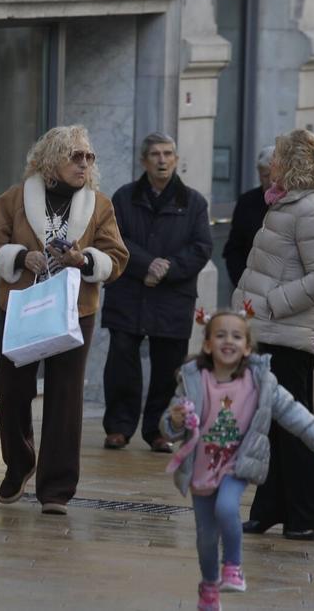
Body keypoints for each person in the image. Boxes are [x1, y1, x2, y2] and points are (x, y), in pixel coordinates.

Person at [0, 125, 128, 515]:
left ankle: (56, 489)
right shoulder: (14, 199)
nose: (84, 164)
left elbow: (116, 257)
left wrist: (84, 260)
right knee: (11, 389)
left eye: (89, 157)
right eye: (75, 156)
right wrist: (20, 256)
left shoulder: (99, 206)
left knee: (65, 397)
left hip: (75, 310)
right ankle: (19, 463)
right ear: (50, 161)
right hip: (21, 307)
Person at [160, 311, 314, 611]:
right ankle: (209, 587)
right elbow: (170, 427)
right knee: (206, 538)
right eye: (220, 335)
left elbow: (292, 411)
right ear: (207, 344)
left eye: (236, 336)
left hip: (236, 465)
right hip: (201, 469)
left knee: (227, 507)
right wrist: (175, 421)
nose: (228, 341)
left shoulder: (259, 382)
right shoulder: (193, 380)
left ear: (247, 347)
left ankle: (233, 566)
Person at [232, 128, 314, 540]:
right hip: (269, 329)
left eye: (278, 156)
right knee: (272, 424)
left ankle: (310, 515)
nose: (271, 163)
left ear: (292, 162)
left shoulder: (311, 208)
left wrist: (272, 303)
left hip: (287, 333)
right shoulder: (290, 202)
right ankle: (272, 508)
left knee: (294, 427)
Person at [101, 132, 212, 452]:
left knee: (168, 367)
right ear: (143, 161)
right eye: (155, 154)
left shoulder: (194, 202)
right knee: (121, 362)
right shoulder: (124, 197)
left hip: (172, 297)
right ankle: (119, 427)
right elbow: (113, 238)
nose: (162, 160)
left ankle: (159, 430)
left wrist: (168, 269)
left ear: (176, 160)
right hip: (129, 292)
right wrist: (146, 265)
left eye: (167, 154)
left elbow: (201, 247)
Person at [222, 146, 275, 288]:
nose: (271, 182)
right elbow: (234, 249)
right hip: (250, 285)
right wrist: (243, 282)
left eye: (275, 176)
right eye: (266, 176)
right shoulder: (247, 202)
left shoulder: (294, 203)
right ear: (259, 174)